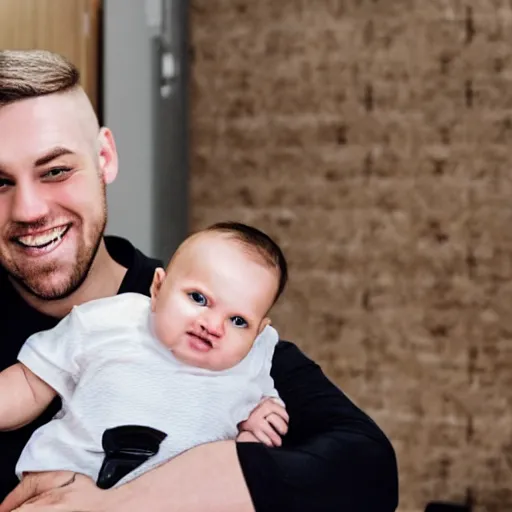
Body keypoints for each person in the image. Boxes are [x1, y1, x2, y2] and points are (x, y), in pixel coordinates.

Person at [0, 49, 399, 511]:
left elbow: (367, 472)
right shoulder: (76, 341)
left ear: (105, 157)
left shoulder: (221, 331)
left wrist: (119, 505)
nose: (29, 210)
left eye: (56, 171)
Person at [0, 221, 290, 488]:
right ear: (158, 287)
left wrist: (256, 424)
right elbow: (29, 383)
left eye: (238, 321)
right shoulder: (109, 321)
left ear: (259, 332)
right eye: (198, 299)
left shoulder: (252, 359)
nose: (213, 326)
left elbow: (251, 460)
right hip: (64, 483)